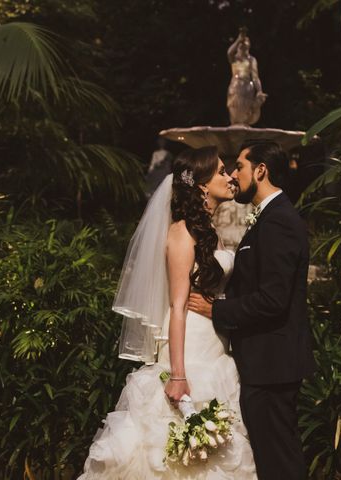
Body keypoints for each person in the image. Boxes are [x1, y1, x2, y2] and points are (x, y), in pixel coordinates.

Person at [78, 146, 257, 479]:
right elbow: (176, 306)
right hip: (189, 348)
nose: (229, 176)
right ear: (202, 185)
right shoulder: (182, 233)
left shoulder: (210, 232)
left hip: (216, 346)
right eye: (220, 172)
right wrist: (177, 373)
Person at [189, 140, 316, 480]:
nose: (233, 175)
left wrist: (217, 310)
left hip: (272, 365)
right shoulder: (269, 218)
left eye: (240, 167)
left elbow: (274, 300)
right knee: (272, 459)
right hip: (264, 364)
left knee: (280, 462)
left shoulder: (279, 221)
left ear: (261, 170)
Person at [227, 28, 267, 125]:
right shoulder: (235, 58)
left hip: (247, 87)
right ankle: (235, 124)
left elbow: (255, 76)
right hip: (235, 87)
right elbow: (229, 52)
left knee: (246, 110)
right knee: (234, 108)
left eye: (245, 43)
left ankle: (244, 123)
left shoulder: (251, 60)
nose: (243, 45)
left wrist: (259, 90)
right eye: (241, 44)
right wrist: (239, 39)